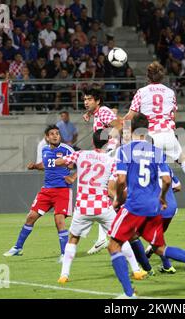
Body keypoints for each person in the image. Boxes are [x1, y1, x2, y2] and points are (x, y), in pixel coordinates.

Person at [108, 113, 185, 298]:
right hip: (153, 207)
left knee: (114, 245)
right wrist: (162, 197)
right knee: (159, 248)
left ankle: (129, 293)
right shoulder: (157, 152)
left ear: (131, 130)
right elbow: (167, 179)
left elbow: (121, 179)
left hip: (134, 206)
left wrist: (118, 199)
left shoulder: (124, 150)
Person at [56, 130, 147, 283]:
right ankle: (137, 271)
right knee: (120, 237)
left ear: (93, 142)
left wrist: (69, 163)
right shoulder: (110, 160)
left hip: (83, 207)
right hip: (104, 207)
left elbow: (60, 162)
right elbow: (119, 180)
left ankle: (64, 275)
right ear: (106, 143)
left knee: (73, 239)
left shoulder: (81, 154)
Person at [124, 62, 185, 197]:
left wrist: (126, 136)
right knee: (182, 160)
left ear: (148, 77)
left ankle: (150, 197)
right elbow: (173, 116)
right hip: (168, 133)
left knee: (145, 166)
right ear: (162, 77)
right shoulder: (170, 92)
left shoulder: (141, 92)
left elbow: (130, 116)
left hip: (150, 136)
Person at [3, 125, 75, 263]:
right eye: (52, 134)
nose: (55, 136)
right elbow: (46, 164)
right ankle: (18, 248)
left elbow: (79, 163)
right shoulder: (45, 149)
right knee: (30, 217)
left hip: (62, 190)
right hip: (46, 190)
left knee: (59, 221)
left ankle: (64, 254)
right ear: (47, 137)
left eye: (57, 134)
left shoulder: (67, 149)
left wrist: (72, 176)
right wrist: (35, 166)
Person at [78, 87, 123, 255]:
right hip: (109, 156)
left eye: (89, 99)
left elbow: (119, 124)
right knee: (105, 194)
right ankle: (104, 237)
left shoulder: (103, 111)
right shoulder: (98, 113)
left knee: (106, 192)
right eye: (84, 100)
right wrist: (90, 114)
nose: (86, 102)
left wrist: (109, 144)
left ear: (97, 101)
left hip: (112, 155)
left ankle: (108, 235)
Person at [144, 166, 182, 274]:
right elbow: (178, 187)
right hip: (171, 207)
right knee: (157, 236)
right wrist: (167, 194)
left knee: (136, 234)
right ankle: (165, 264)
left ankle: (144, 264)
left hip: (157, 207)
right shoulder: (167, 168)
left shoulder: (144, 166)